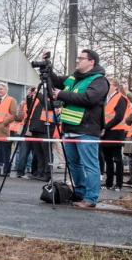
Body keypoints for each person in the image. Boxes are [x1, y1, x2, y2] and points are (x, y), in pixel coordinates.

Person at [47, 49, 110, 208]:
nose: (78, 61)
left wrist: (61, 94)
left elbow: (89, 98)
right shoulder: (73, 77)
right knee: (73, 164)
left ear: (91, 62)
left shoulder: (99, 80)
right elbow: (55, 81)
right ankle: (79, 192)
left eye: (81, 58)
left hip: (87, 130)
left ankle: (91, 199)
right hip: (69, 128)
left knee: (90, 165)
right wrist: (47, 68)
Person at [101, 81, 130, 190]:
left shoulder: (121, 98)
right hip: (106, 132)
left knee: (117, 159)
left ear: (116, 87)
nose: (106, 87)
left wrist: (105, 127)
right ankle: (108, 183)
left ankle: (119, 183)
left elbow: (119, 117)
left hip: (116, 132)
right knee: (107, 158)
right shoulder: (106, 98)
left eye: (109, 85)